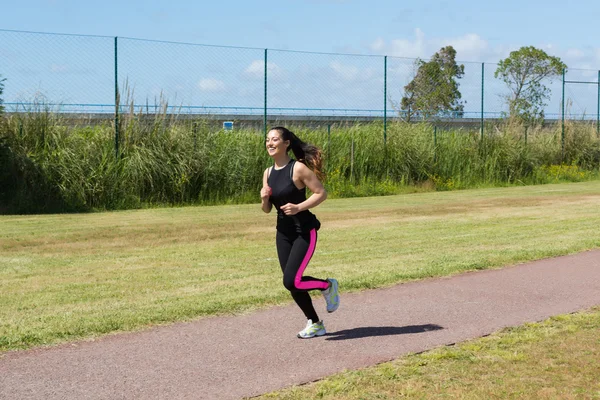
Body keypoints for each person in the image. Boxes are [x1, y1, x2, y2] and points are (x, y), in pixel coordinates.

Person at [260, 126, 340, 339]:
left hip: (304, 231)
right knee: (292, 282)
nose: (270, 143)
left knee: (292, 281)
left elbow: (321, 193)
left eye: (275, 139)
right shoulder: (267, 173)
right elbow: (267, 210)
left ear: (286, 143)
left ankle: (327, 285)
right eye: (268, 139)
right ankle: (315, 323)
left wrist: (298, 207)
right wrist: (264, 198)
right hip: (283, 233)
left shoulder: (298, 169)